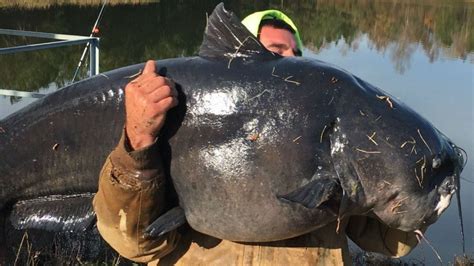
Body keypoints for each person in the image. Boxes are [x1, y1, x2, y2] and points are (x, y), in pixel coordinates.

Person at [93, 9, 421, 265]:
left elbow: (389, 241)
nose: (291, 62)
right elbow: (133, 243)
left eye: (296, 55)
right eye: (276, 52)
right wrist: (139, 141)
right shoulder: (174, 127)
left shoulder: (332, 149)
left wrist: (417, 177)